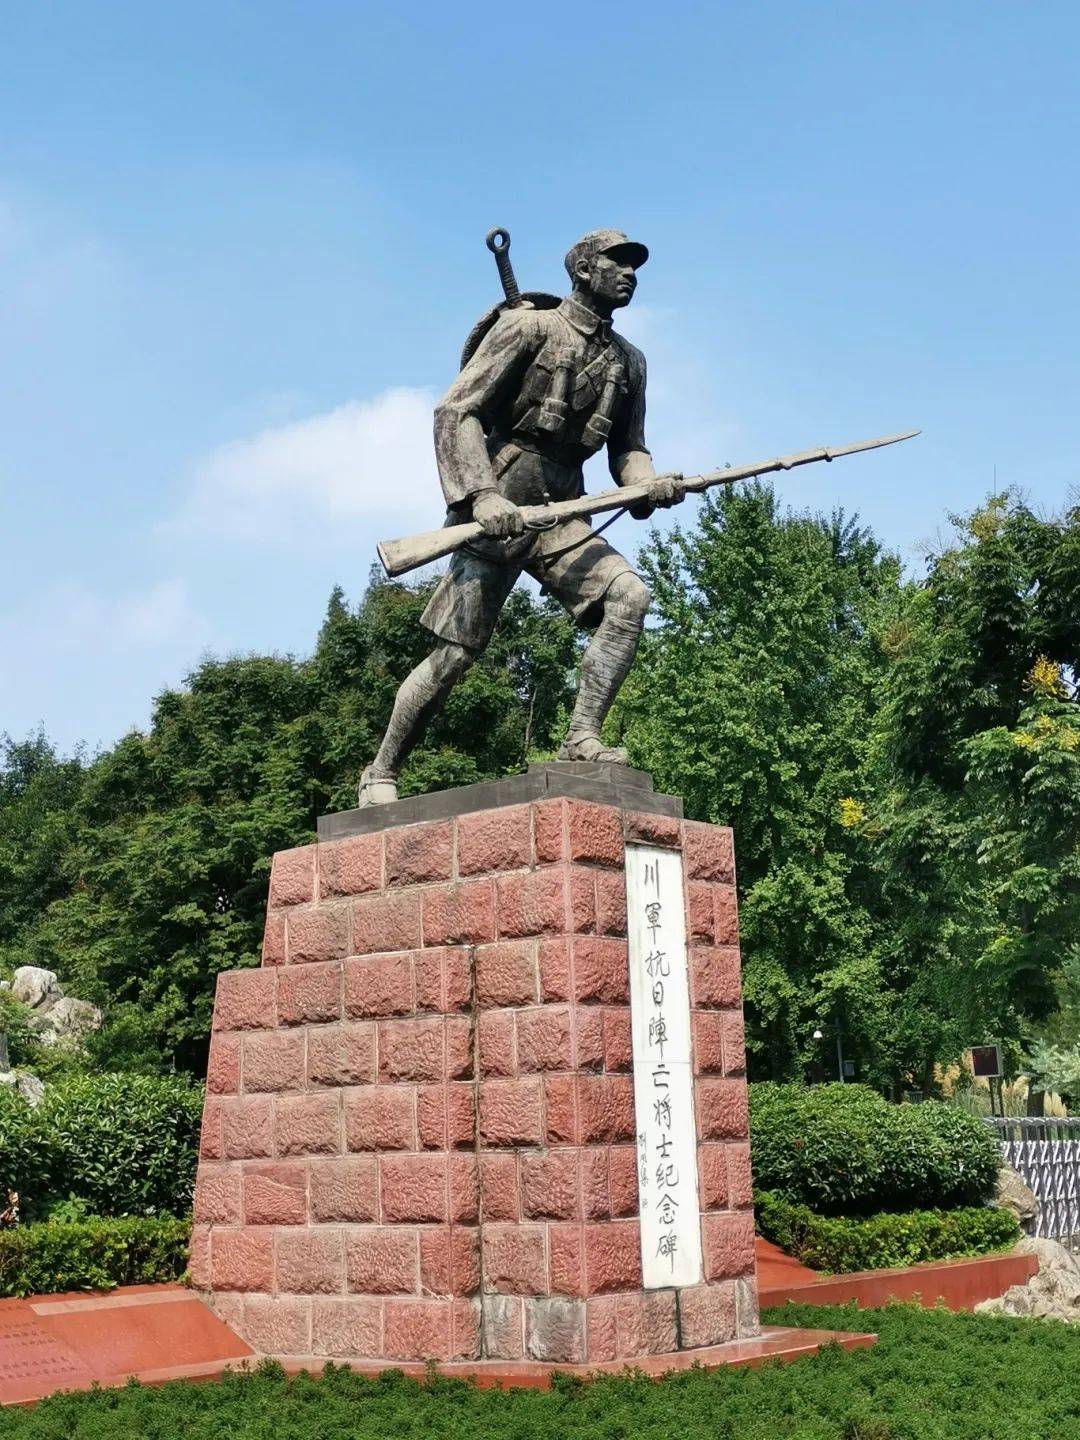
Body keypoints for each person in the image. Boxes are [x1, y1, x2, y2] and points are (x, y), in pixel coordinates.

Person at [358, 227, 683, 806]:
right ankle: (381, 770)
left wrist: (646, 484)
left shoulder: (630, 362)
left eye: (635, 265)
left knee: (629, 596)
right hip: (501, 502)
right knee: (455, 655)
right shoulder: (527, 327)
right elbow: (456, 412)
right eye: (617, 262)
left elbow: (628, 450)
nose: (630, 273)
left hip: (565, 510)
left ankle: (581, 736)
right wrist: (482, 495)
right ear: (583, 269)